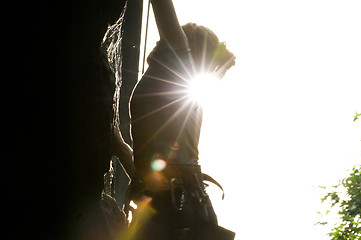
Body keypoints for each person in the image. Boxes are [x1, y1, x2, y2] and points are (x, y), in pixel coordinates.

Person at [129, 0, 236, 239]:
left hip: (178, 207)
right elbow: (151, 166)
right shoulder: (169, 79)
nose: (162, 40)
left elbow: (163, 8)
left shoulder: (177, 63)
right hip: (179, 205)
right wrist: (121, 148)